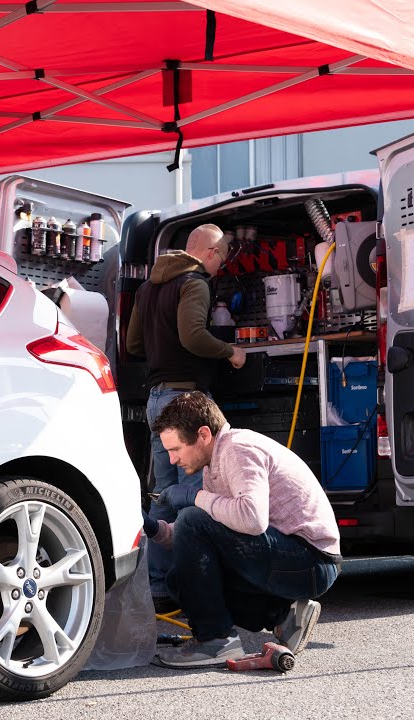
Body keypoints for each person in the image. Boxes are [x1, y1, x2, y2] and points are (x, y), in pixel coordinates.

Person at [145, 391, 342, 668]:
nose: (173, 459)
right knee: (180, 579)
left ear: (203, 434)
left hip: (312, 560)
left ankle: (216, 640)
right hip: (293, 556)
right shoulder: (214, 459)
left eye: (176, 449)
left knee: (192, 518)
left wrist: (194, 498)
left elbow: (252, 519)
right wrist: (155, 529)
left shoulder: (238, 449)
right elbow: (204, 532)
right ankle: (283, 614)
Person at [126, 223, 246, 615]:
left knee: (163, 492)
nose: (220, 266)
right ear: (209, 252)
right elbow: (194, 335)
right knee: (198, 492)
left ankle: (159, 585)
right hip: (187, 399)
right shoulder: (194, 283)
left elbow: (133, 344)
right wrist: (229, 351)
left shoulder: (148, 287)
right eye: (222, 257)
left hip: (157, 399)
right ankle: (198, 583)